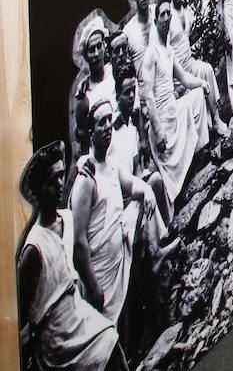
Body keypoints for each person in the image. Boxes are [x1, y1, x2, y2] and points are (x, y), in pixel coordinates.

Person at [17, 141, 128, 371]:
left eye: (61, 176)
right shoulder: (34, 248)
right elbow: (20, 312)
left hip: (76, 313)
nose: (59, 184)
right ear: (38, 191)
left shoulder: (67, 219)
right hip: (55, 333)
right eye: (52, 180)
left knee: (111, 341)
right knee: (107, 344)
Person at [69, 100, 155, 325]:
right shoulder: (86, 178)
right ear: (91, 132)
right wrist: (93, 286)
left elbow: (132, 184)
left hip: (118, 259)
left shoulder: (113, 165)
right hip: (99, 272)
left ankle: (155, 253)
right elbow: (79, 242)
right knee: (106, 330)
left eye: (109, 120)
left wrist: (146, 190)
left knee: (122, 319)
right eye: (101, 123)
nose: (108, 126)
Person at [140, 0, 213, 205]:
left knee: (197, 95)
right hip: (162, 119)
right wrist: (158, 130)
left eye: (168, 14)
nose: (165, 18)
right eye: (161, 15)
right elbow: (148, 96)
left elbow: (185, 79)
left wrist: (203, 83)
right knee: (183, 107)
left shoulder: (168, 51)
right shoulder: (151, 53)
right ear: (155, 21)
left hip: (173, 108)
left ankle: (198, 159)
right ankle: (181, 186)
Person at [69, 12, 119, 165]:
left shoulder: (115, 72)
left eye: (99, 47)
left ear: (104, 46)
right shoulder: (84, 94)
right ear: (86, 56)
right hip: (101, 156)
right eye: (91, 50)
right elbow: (84, 141)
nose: (96, 53)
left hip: (124, 145)